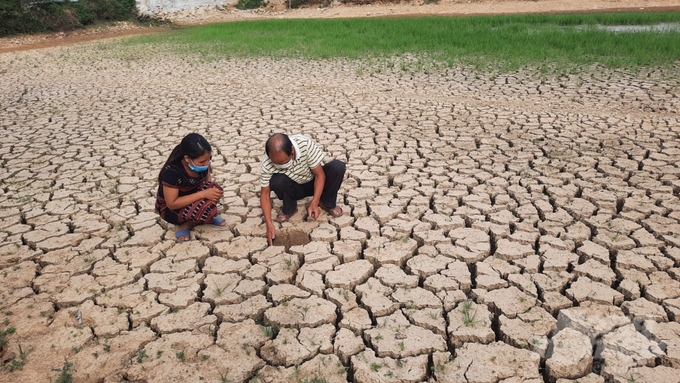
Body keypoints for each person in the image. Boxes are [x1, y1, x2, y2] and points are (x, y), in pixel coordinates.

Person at [260, 133, 346, 245]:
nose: (281, 166)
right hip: (294, 188)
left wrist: (314, 203)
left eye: (284, 162)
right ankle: (289, 208)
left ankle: (326, 202)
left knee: (337, 167)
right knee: (277, 180)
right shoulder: (267, 161)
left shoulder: (305, 145)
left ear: (292, 150)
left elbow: (320, 175)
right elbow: (265, 195)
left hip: (313, 182)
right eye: (277, 164)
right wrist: (269, 224)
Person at [155, 133, 226, 241]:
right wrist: (203, 194)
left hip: (193, 197)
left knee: (215, 189)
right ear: (187, 159)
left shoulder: (202, 165)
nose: (206, 164)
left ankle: (204, 217)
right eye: (202, 162)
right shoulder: (172, 172)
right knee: (202, 204)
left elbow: (207, 182)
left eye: (208, 159)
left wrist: (209, 193)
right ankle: (186, 225)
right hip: (173, 210)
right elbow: (172, 204)